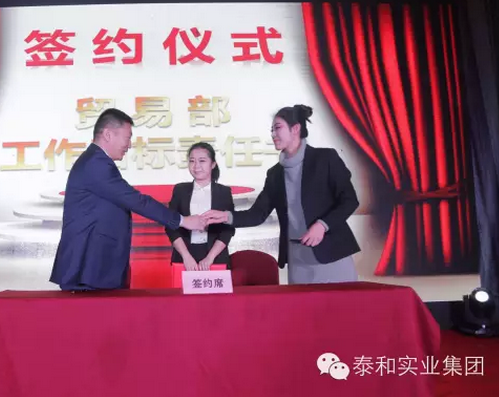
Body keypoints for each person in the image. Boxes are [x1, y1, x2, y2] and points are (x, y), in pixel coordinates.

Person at [50, 108, 207, 291]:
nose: (130, 145)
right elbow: (136, 201)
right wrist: (183, 221)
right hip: (88, 267)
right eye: (127, 137)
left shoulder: (97, 161)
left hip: (96, 267)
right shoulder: (96, 164)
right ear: (108, 134)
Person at [203, 104, 360, 284]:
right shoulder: (275, 174)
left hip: (333, 254)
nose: (273, 134)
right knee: (301, 302)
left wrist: (322, 225)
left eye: (277, 128)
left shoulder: (325, 158)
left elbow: (349, 200)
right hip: (298, 259)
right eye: (271, 130)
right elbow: (257, 214)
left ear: (295, 129)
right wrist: (226, 216)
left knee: (342, 302)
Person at [165, 142, 236, 271]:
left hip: (215, 257)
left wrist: (210, 258)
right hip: (184, 256)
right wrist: (186, 256)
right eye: (192, 161)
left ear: (213, 164)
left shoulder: (224, 192)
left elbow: (228, 230)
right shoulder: (180, 190)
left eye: (202, 161)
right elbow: (171, 225)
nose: (196, 166)